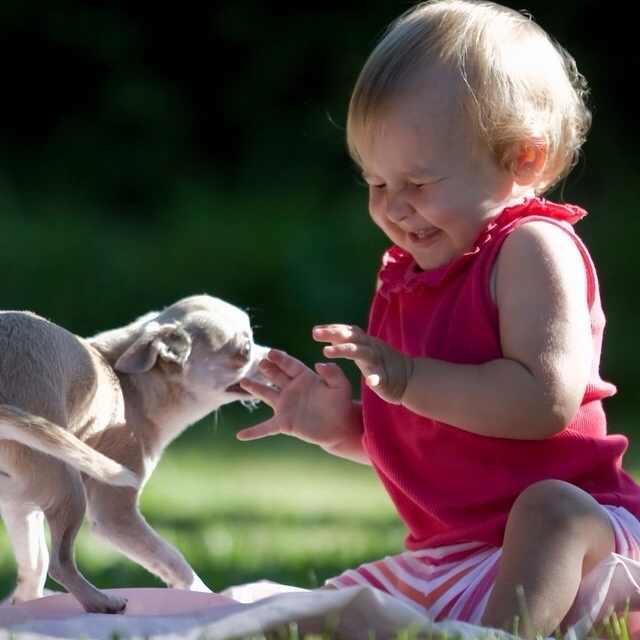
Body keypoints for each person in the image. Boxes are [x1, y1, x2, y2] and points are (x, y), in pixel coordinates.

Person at [237, 1, 640, 636]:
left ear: (523, 161)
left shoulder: (532, 248)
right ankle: (482, 626)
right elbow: (440, 442)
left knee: (550, 511)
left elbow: (543, 402)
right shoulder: (407, 275)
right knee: (306, 615)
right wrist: (346, 427)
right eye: (375, 184)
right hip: (457, 559)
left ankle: (506, 632)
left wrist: (403, 378)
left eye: (418, 183)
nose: (394, 208)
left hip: (583, 548)